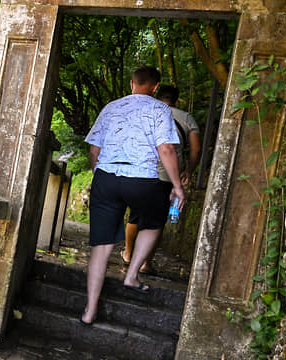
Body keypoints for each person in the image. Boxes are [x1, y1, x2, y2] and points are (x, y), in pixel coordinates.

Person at [80, 65, 185, 325]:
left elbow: (94, 151)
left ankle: (89, 310)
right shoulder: (160, 109)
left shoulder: (111, 107)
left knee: (101, 247)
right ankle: (132, 274)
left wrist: (101, 177)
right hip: (142, 179)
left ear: (131, 84)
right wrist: (177, 186)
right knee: (154, 220)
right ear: (155, 87)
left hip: (106, 177)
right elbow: (167, 149)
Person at [121, 84, 201, 274]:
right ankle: (145, 263)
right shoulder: (186, 118)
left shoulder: (146, 112)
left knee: (135, 215)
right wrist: (188, 170)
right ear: (177, 100)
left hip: (141, 172)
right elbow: (196, 149)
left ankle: (128, 255)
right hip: (167, 177)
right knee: (156, 221)